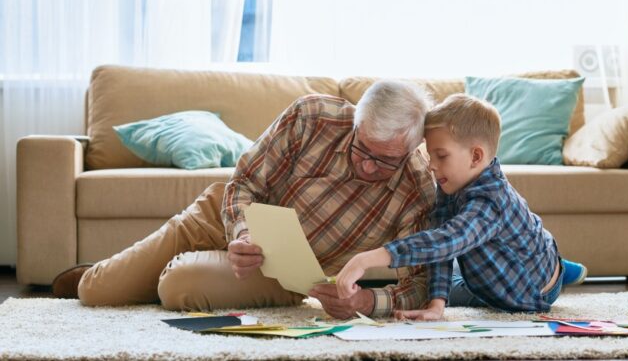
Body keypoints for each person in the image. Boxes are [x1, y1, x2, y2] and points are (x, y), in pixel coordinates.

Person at [52, 80, 436, 319]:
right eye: (361, 150)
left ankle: (160, 271)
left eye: (385, 160)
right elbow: (244, 181)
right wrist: (244, 232)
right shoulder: (312, 115)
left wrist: (367, 304)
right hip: (213, 221)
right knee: (95, 292)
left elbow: (421, 284)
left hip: (279, 274)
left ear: (414, 146)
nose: (368, 168)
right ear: (355, 123)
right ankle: (106, 272)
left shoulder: (418, 190)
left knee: (178, 286)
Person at [335, 93, 587, 319]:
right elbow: (440, 250)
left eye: (441, 155)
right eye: (429, 155)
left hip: (531, 293)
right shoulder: (450, 186)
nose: (432, 165)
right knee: (440, 274)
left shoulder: (492, 201)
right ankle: (553, 262)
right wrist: (435, 305)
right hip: (491, 274)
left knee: (452, 273)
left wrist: (368, 259)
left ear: (476, 156)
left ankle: (557, 268)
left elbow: (446, 241)